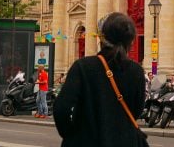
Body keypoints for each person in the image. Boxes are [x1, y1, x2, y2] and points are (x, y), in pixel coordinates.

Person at [54, 12, 145, 147]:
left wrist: (72, 135)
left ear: (101, 38)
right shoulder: (136, 71)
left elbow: (61, 108)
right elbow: (136, 111)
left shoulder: (83, 67)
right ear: (130, 41)